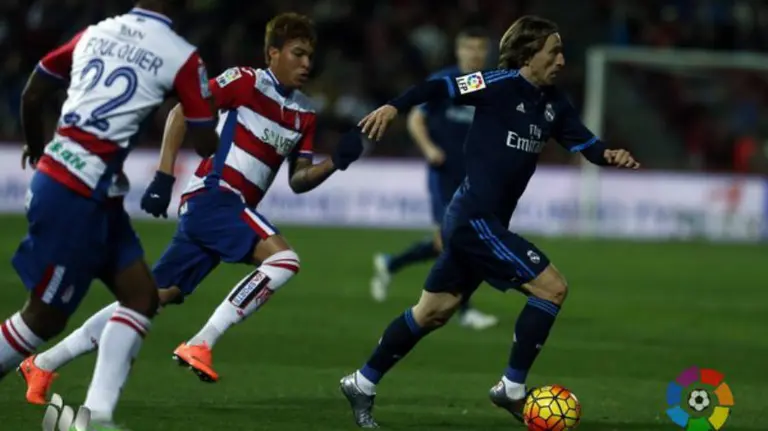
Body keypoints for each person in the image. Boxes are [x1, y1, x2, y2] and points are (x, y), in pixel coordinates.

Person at [18, 12, 367, 402]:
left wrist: (335, 162)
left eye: (309, 57)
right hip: (214, 196)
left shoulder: (305, 113)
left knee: (149, 299)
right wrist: (164, 176)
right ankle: (201, 342)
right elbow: (182, 111)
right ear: (273, 54)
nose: (306, 64)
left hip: (223, 209)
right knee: (284, 261)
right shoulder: (246, 82)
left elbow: (299, 180)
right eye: (298, 54)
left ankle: (43, 363)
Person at [339, 16, 640, 428]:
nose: (561, 59)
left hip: (484, 221)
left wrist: (610, 154)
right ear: (529, 54)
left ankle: (362, 381)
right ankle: (512, 389)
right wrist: (395, 106)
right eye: (553, 51)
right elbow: (438, 88)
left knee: (432, 312)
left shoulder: (554, 102)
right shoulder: (496, 84)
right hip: (473, 218)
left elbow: (585, 144)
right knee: (552, 289)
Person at [3, 1, 219, 429]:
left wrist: (33, 145)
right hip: (76, 195)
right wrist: (203, 109)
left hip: (82, 186)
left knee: (141, 296)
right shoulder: (182, 56)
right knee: (43, 318)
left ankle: (97, 417)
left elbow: (33, 92)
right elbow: (206, 143)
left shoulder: (94, 33)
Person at [370, 27, 498, 331]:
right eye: (469, 48)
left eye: (479, 48)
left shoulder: (490, 84)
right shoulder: (445, 81)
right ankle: (465, 311)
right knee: (457, 242)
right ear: (459, 50)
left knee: (450, 242)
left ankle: (391, 264)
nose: (474, 54)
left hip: (472, 176)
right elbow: (416, 118)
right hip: (444, 174)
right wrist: (429, 149)